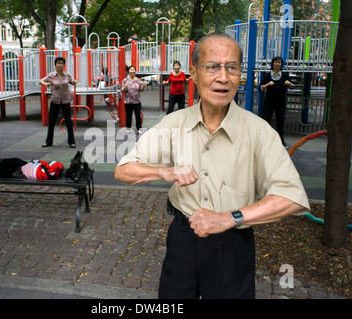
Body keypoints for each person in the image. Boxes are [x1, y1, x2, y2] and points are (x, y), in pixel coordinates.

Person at [115, 33, 310, 299]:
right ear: (194, 73)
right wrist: (164, 171)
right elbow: (124, 169)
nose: (223, 77)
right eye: (213, 67)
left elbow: (291, 197)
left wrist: (229, 218)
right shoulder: (174, 124)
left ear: (240, 73)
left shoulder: (259, 131)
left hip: (233, 243)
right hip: (183, 239)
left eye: (232, 67)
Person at [40, 57, 77, 148]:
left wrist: (74, 82)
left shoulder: (67, 75)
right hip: (55, 100)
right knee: (52, 121)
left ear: (64, 65)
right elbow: (40, 81)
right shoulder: (51, 75)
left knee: (68, 121)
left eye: (62, 63)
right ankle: (48, 142)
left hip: (65, 100)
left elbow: (71, 81)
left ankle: (71, 142)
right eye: (58, 63)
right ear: (55, 65)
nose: (60, 65)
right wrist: (46, 84)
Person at [260, 56, 294, 148]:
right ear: (272, 64)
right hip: (269, 100)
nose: (277, 64)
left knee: (281, 120)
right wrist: (267, 84)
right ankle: (265, 140)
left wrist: (289, 84)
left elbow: (292, 86)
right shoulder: (268, 75)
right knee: (266, 119)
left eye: (279, 62)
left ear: (282, 64)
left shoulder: (285, 75)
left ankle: (281, 141)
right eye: (275, 62)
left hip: (281, 101)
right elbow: (260, 87)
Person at [121, 66, 146, 133]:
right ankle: (128, 127)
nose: (132, 71)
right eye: (130, 70)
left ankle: (139, 128)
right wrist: (125, 87)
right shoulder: (125, 80)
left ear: (135, 71)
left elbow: (141, 90)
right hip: (128, 101)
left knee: (138, 115)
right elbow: (122, 91)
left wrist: (143, 86)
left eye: (133, 70)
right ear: (128, 71)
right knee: (128, 115)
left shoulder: (138, 80)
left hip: (137, 101)